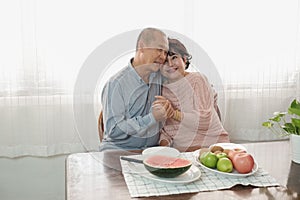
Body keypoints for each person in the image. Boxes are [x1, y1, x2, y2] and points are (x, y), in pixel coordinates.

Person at [99, 27, 172, 151]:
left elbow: (184, 81)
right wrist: (152, 118)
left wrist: (167, 108)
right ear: (142, 46)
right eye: (159, 50)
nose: (163, 57)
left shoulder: (159, 77)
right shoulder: (115, 84)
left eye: (165, 52)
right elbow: (114, 130)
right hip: (119, 150)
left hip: (151, 151)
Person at [153, 38, 230, 152]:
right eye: (164, 61)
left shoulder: (197, 80)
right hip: (184, 152)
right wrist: (163, 146)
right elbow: (168, 130)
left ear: (184, 60)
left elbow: (205, 120)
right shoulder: (161, 89)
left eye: (174, 57)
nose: (170, 64)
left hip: (213, 147)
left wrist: (173, 114)